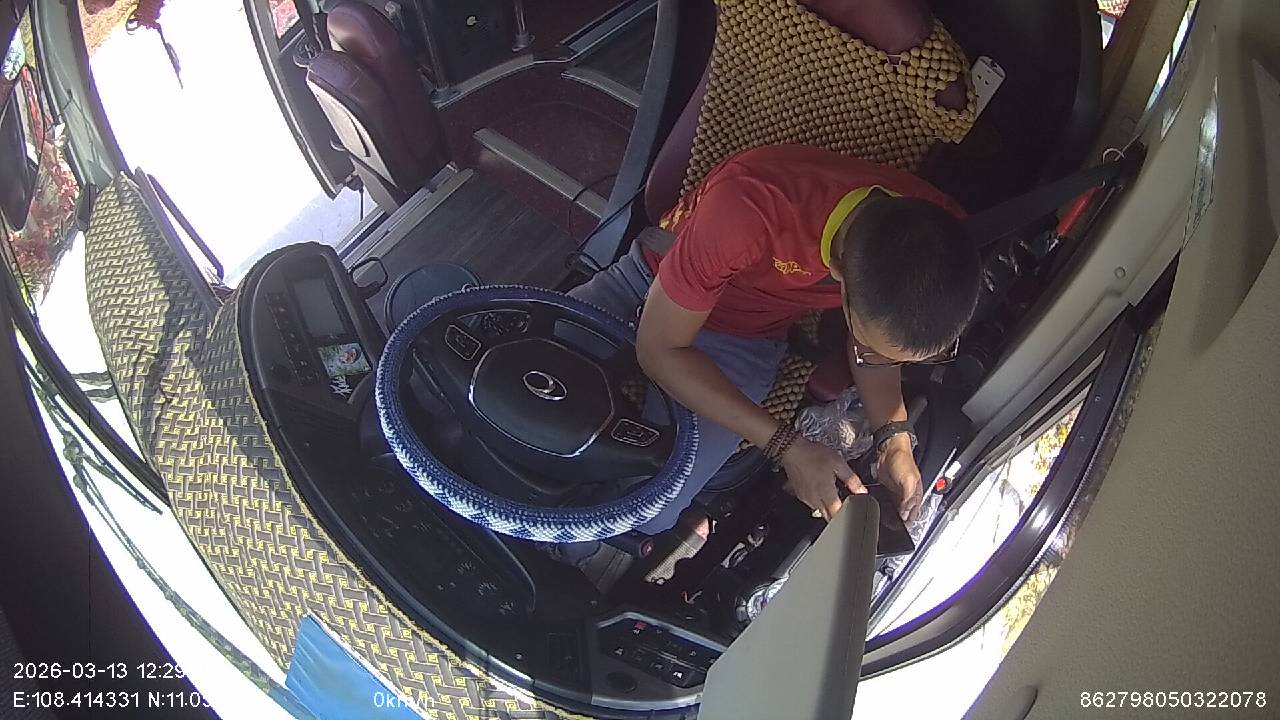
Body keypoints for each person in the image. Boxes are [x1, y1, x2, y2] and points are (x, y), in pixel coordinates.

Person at [564, 143, 981, 584]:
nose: (879, 359)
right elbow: (659, 350)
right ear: (839, 279)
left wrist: (894, 440)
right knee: (524, 385)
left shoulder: (943, 240)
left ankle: (571, 549)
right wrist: (788, 447)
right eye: (869, 344)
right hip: (649, 279)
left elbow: (880, 347)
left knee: (647, 508)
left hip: (742, 336)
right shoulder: (749, 209)